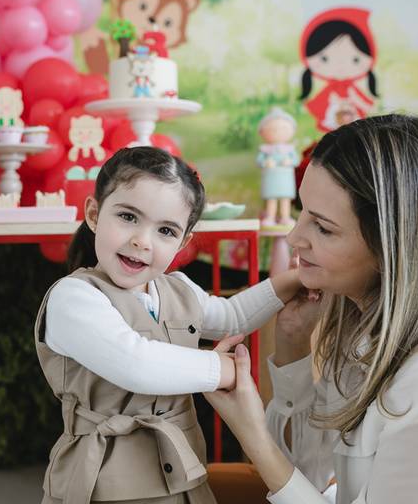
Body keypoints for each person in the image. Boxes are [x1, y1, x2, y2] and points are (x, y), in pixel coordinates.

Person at [205, 114, 418, 503]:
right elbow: (311, 474)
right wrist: (293, 345)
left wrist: (252, 433)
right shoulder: (367, 321)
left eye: (323, 227)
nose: (294, 237)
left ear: (390, 248)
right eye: (303, 211)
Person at [34, 146, 300, 504]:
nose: (142, 240)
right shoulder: (74, 297)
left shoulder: (177, 288)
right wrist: (221, 369)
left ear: (183, 242)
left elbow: (232, 317)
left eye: (166, 230)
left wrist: (295, 281)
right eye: (128, 217)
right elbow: (136, 364)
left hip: (183, 472)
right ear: (94, 214)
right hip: (105, 480)